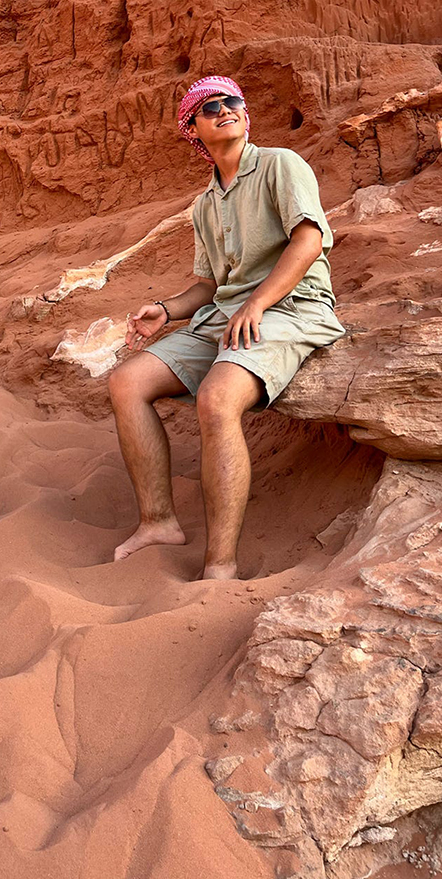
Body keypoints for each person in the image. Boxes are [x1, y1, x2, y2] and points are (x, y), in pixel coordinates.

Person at [106, 74, 345, 580]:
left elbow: (308, 243)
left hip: (291, 307)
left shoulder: (281, 164)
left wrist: (257, 303)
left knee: (217, 398)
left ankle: (220, 566)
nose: (225, 109)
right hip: (225, 315)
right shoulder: (204, 204)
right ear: (194, 129)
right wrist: (166, 311)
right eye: (209, 107)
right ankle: (158, 522)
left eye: (232, 101)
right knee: (127, 382)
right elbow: (208, 285)